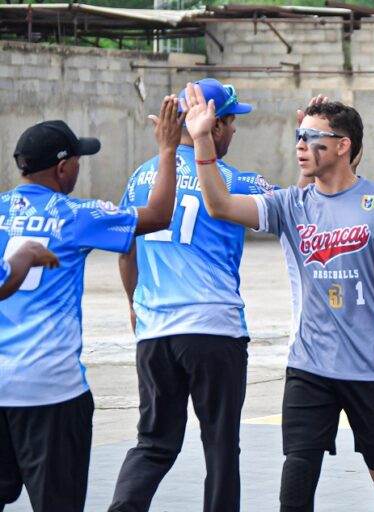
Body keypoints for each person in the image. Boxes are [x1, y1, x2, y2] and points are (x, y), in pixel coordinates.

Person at [182, 83, 374, 511]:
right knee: (296, 479)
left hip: (373, 368)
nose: (300, 145)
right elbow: (219, 205)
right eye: (299, 136)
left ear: (343, 146)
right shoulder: (289, 205)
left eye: (312, 137)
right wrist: (202, 138)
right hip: (309, 366)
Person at [0, 100, 182, 512]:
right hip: (52, 390)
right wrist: (167, 149)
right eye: (78, 161)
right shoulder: (76, 215)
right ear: (63, 168)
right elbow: (158, 215)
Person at [109, 79, 275, 512]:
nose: (234, 131)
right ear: (214, 125)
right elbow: (296, 208)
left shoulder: (143, 176)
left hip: (155, 330)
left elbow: (126, 251)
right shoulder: (235, 180)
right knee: (220, 445)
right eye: (232, 122)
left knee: (153, 443)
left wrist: (134, 304)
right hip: (213, 329)